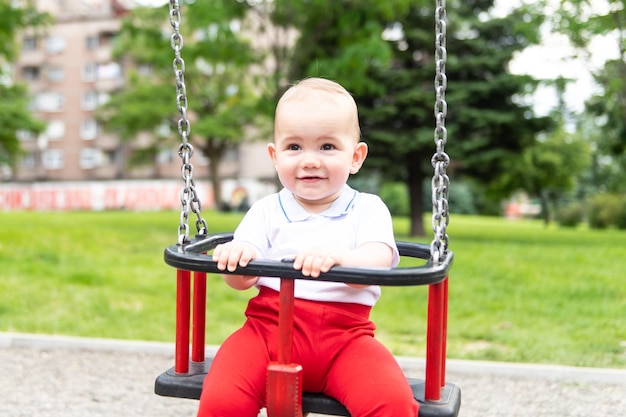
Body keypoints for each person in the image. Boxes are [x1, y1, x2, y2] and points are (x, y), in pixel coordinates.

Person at [197, 77, 419, 417]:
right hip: (265, 335)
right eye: (294, 147)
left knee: (392, 403)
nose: (310, 160)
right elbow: (242, 280)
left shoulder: (368, 209)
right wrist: (235, 259)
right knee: (223, 401)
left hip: (346, 340)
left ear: (356, 157)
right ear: (275, 155)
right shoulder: (265, 210)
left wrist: (340, 259)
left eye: (327, 147)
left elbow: (378, 259)